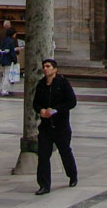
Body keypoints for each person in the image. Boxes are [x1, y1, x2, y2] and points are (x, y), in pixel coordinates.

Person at [32, 58, 78, 196]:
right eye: (44, 66)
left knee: (64, 151)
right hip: (46, 127)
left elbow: (71, 102)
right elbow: (36, 103)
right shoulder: (41, 85)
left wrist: (56, 109)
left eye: (48, 66)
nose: (45, 69)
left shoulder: (63, 83)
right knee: (43, 155)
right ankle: (44, 185)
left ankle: (72, 175)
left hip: (60, 126)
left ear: (55, 69)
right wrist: (41, 111)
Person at [0, 27, 18, 96]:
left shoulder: (3, 40)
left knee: (4, 75)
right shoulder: (11, 41)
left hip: (3, 59)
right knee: (7, 75)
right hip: (8, 60)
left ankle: (3, 88)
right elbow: (12, 52)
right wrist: (15, 60)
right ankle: (4, 90)